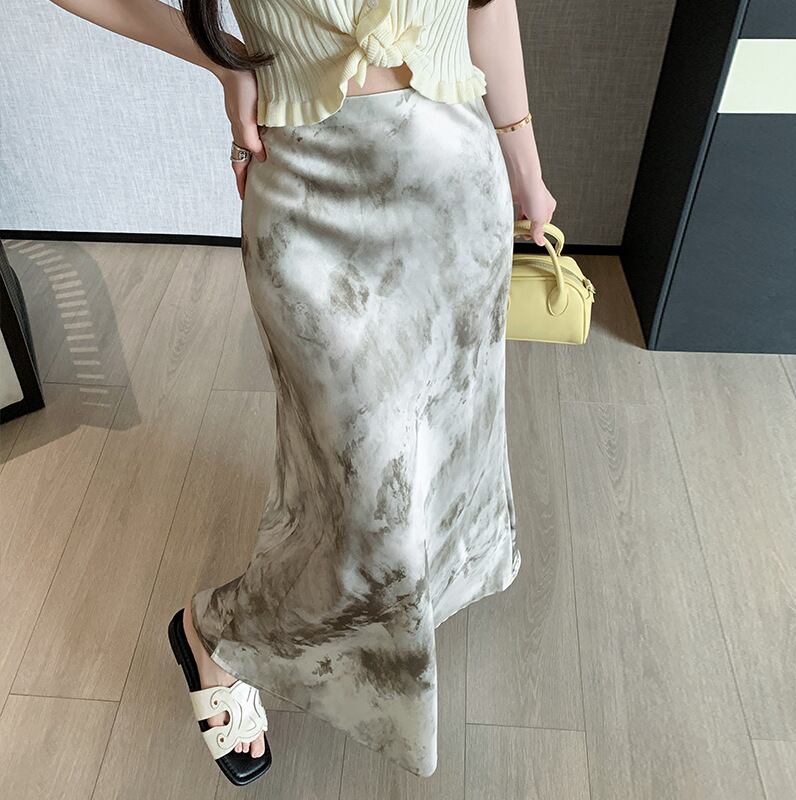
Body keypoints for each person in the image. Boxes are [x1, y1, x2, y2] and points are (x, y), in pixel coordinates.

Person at [50, 0, 556, 785]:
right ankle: (214, 631)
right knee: (369, 478)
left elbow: (489, 7)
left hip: (455, 185)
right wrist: (221, 59)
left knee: (445, 441)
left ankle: (396, 608)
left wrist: (526, 167)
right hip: (307, 195)